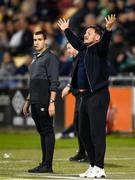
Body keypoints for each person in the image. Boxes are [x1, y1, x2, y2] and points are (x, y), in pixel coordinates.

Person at [57, 14, 116, 178]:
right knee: (83, 132)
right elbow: (76, 42)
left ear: (97, 37)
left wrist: (108, 29)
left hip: (98, 95)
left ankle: (100, 167)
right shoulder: (84, 50)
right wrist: (66, 30)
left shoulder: (99, 49)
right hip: (85, 97)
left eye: (88, 33)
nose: (85, 35)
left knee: (97, 132)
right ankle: (92, 165)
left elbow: (105, 43)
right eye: (85, 34)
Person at [23, 30, 59, 173]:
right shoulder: (35, 59)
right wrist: (28, 101)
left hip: (45, 100)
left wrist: (52, 102)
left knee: (48, 131)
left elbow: (54, 81)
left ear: (46, 41)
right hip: (35, 101)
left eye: (39, 39)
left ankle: (48, 165)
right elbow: (33, 82)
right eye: (34, 40)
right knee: (42, 132)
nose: (36, 42)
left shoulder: (50, 58)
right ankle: (44, 163)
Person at [62, 42, 88, 162]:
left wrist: (69, 87)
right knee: (78, 125)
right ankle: (82, 152)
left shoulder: (82, 59)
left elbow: (81, 80)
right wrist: (69, 86)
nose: (67, 51)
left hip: (84, 97)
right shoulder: (75, 60)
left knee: (84, 126)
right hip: (78, 97)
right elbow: (74, 79)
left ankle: (88, 153)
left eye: (69, 48)